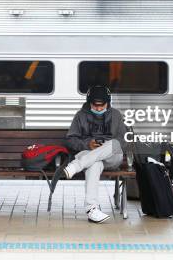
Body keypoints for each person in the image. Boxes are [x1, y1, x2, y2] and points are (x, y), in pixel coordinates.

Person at [53, 85, 128, 224]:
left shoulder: (116, 115)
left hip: (112, 158)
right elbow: (70, 140)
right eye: (95, 105)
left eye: (102, 105)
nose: (99, 108)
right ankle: (92, 209)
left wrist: (105, 146)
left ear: (108, 102)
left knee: (115, 144)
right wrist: (87, 144)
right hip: (91, 157)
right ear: (89, 102)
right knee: (95, 163)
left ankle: (75, 166)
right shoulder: (80, 116)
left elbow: (123, 140)